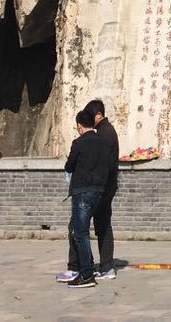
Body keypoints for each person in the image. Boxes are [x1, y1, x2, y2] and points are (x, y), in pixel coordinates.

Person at [62, 98, 119, 281]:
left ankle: (81, 267)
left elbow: (103, 164)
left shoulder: (104, 135)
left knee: (80, 229)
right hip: (101, 187)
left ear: (99, 115)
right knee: (95, 227)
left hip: (96, 189)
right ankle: (101, 266)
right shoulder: (103, 133)